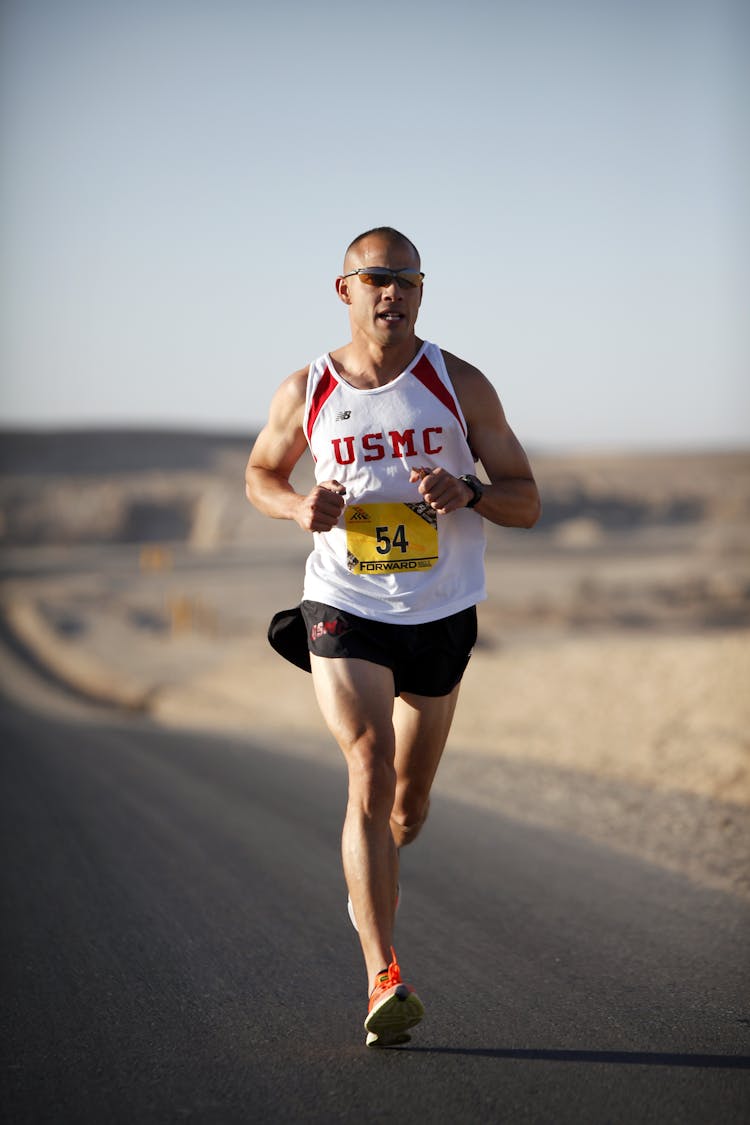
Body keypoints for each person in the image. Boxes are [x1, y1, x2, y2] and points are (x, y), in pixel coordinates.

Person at [244, 226, 540, 1047]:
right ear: (345, 290)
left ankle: (381, 860)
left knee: (406, 807)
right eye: (377, 278)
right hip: (343, 602)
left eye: (407, 280)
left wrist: (471, 491)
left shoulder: (458, 385)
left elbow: (527, 499)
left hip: (440, 614)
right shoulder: (306, 389)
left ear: (420, 290)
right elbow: (261, 475)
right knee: (367, 765)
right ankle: (384, 973)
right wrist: (298, 507)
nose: (393, 293)